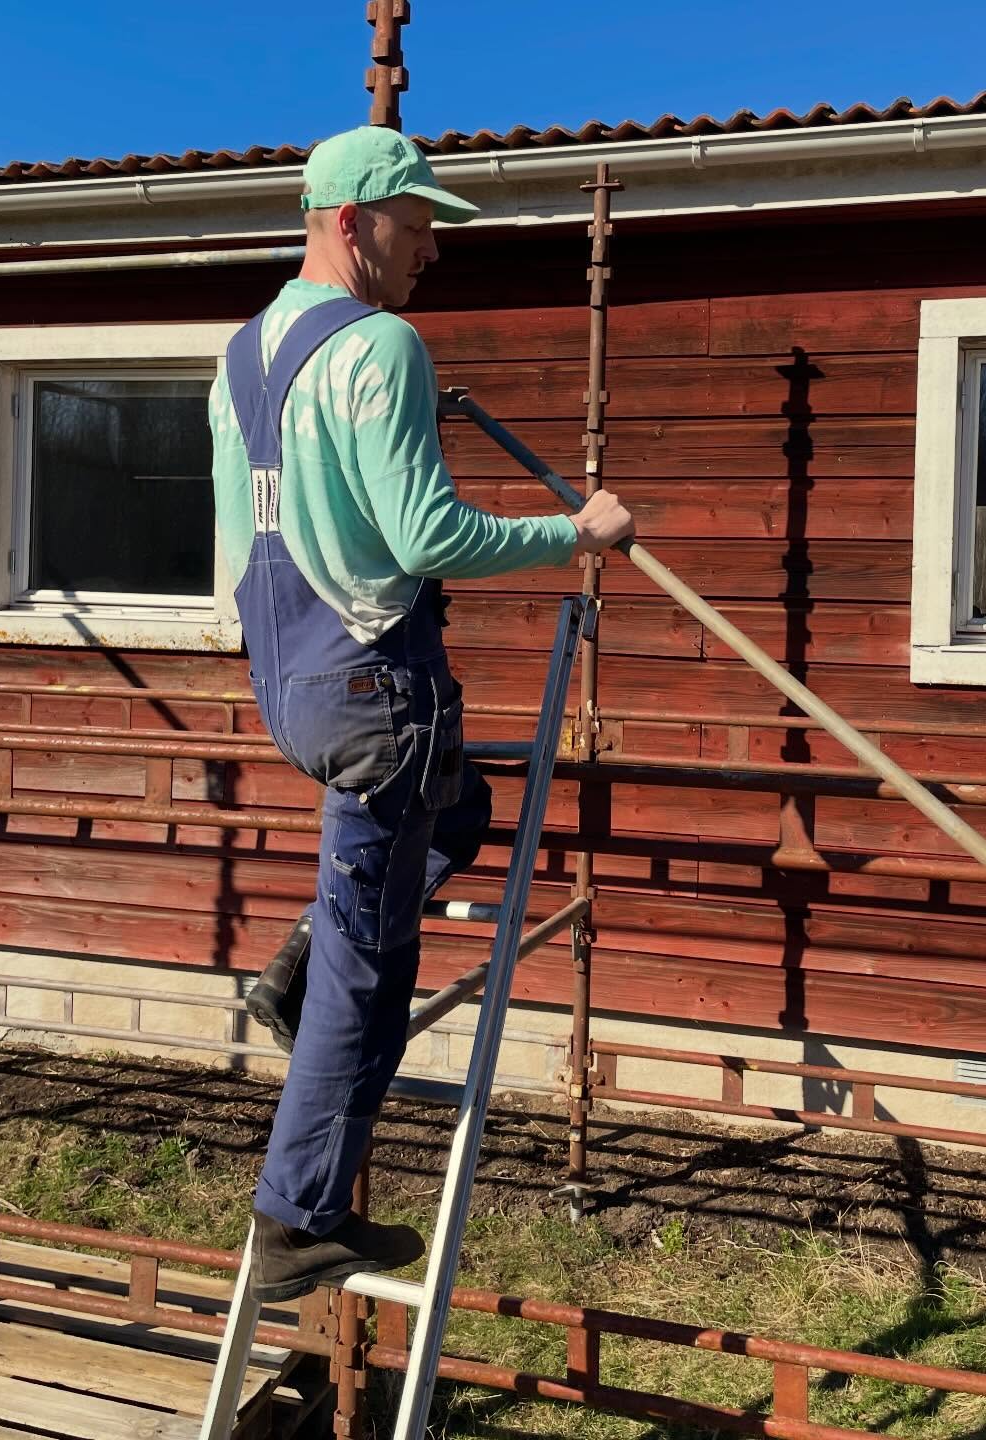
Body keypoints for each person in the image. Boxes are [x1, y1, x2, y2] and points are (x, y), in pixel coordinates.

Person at [209, 125, 634, 1301]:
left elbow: (241, 546)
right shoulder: (381, 346)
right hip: (377, 691)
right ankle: (299, 1218)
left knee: (460, 816)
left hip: (289, 683)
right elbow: (428, 538)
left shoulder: (243, 357)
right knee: (371, 973)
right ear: (353, 223)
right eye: (419, 224)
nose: (432, 249)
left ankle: (297, 964)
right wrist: (575, 534)